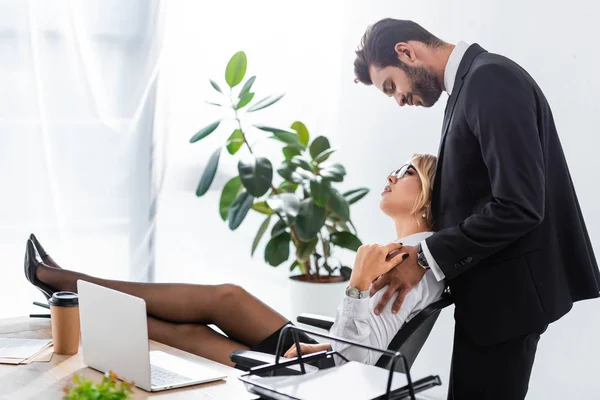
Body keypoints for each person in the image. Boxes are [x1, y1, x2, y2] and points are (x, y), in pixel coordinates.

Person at [353, 19, 600, 399]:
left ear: (406, 52)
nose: (399, 99)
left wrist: (423, 257)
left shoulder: (489, 81)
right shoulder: (470, 87)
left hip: (507, 301)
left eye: (391, 86)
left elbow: (519, 205)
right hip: (492, 300)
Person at [24, 154, 444, 369]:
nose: (390, 176)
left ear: (427, 190)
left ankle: (68, 294)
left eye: (405, 170)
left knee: (188, 332)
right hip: (320, 349)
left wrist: (354, 286)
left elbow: (357, 360)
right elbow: (362, 339)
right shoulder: (415, 254)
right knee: (228, 296)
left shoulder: (412, 263)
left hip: (318, 370)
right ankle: (69, 288)